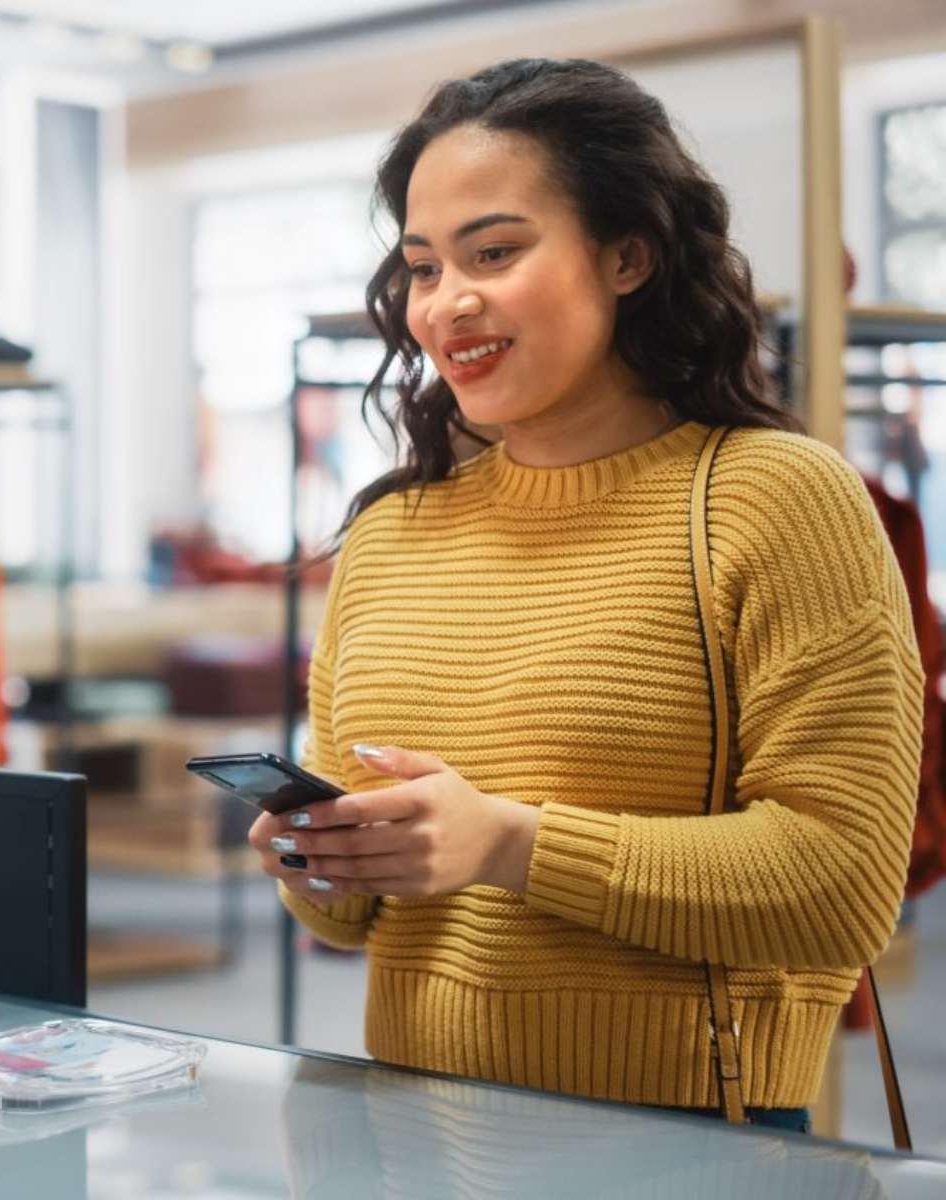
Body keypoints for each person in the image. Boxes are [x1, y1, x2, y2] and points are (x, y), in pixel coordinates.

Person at [247, 58, 922, 1131]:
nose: (448, 302)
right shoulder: (389, 534)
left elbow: (842, 888)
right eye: (423, 267)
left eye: (495, 252)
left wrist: (509, 843)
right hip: (410, 1133)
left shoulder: (777, 499)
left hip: (690, 1147)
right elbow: (351, 923)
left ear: (628, 255)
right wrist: (317, 862)